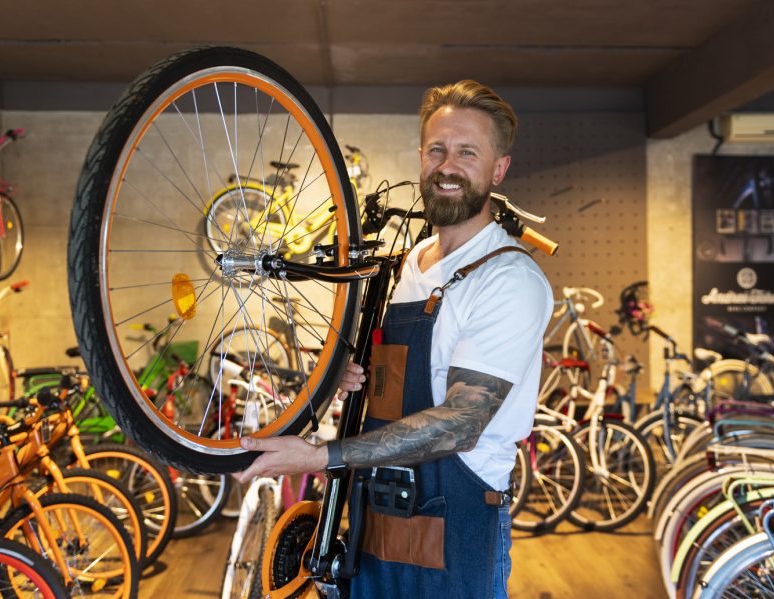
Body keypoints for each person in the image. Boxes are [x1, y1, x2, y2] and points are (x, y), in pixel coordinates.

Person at [235, 80, 553, 598]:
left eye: (467, 152)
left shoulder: (508, 278)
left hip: (454, 528)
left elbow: (461, 424)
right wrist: (351, 371)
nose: (447, 166)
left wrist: (320, 456)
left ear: (499, 170)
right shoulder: (410, 262)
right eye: (437, 149)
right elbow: (391, 379)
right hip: (374, 520)